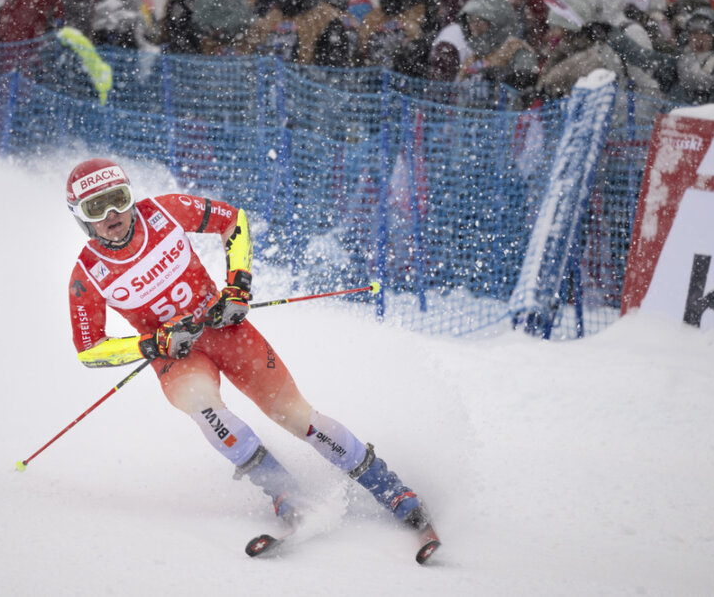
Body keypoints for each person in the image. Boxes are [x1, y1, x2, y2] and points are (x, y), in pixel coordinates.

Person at [63, 158, 440, 563]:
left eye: (117, 199)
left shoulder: (166, 212)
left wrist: (237, 285)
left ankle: (394, 491)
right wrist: (152, 345)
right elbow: (90, 350)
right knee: (205, 408)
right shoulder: (87, 275)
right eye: (95, 208)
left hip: (226, 330)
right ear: (81, 218)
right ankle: (285, 494)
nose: (111, 215)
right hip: (179, 356)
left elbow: (233, 220)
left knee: (297, 416)